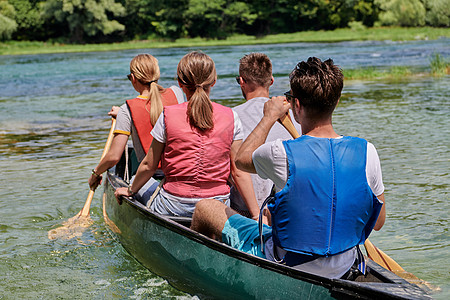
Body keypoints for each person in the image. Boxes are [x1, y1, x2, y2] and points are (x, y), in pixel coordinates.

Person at [191, 57, 386, 279]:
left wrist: (269, 117)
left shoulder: (279, 152)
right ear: (337, 101)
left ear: (296, 105)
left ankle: (199, 274)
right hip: (344, 265)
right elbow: (378, 222)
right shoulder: (367, 151)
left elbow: (241, 160)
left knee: (206, 207)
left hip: (288, 264)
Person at [115, 51, 245, 217]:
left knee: (135, 180)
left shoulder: (167, 115)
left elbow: (149, 165)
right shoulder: (231, 116)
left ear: (180, 83)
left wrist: (130, 190)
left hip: (174, 205)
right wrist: (255, 214)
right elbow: (237, 171)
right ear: (214, 81)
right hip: (218, 204)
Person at [88, 54, 184, 193]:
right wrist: (122, 114)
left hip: (154, 176)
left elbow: (114, 157)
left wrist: (95, 173)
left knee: (133, 180)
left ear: (133, 78)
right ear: (157, 74)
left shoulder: (127, 110)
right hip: (182, 170)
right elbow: (157, 110)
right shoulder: (177, 92)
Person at [230, 52, 302, 221]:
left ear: (241, 81)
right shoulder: (294, 117)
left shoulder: (231, 116)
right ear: (271, 81)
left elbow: (235, 171)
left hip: (246, 212)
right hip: (284, 208)